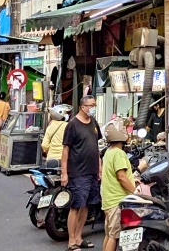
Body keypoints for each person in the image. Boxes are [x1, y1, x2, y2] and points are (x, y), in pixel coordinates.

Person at [61, 96, 103, 251]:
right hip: (78, 173)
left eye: (94, 105)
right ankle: (71, 241)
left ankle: (79, 237)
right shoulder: (72, 125)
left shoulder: (93, 123)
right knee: (76, 206)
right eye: (91, 105)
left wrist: (99, 167)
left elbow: (96, 147)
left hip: (92, 172)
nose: (93, 108)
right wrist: (64, 173)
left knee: (86, 206)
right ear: (82, 106)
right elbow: (65, 150)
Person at [100, 121, 137, 251]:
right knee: (114, 236)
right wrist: (135, 192)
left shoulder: (108, 152)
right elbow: (121, 177)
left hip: (108, 200)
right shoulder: (119, 154)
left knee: (109, 234)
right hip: (118, 201)